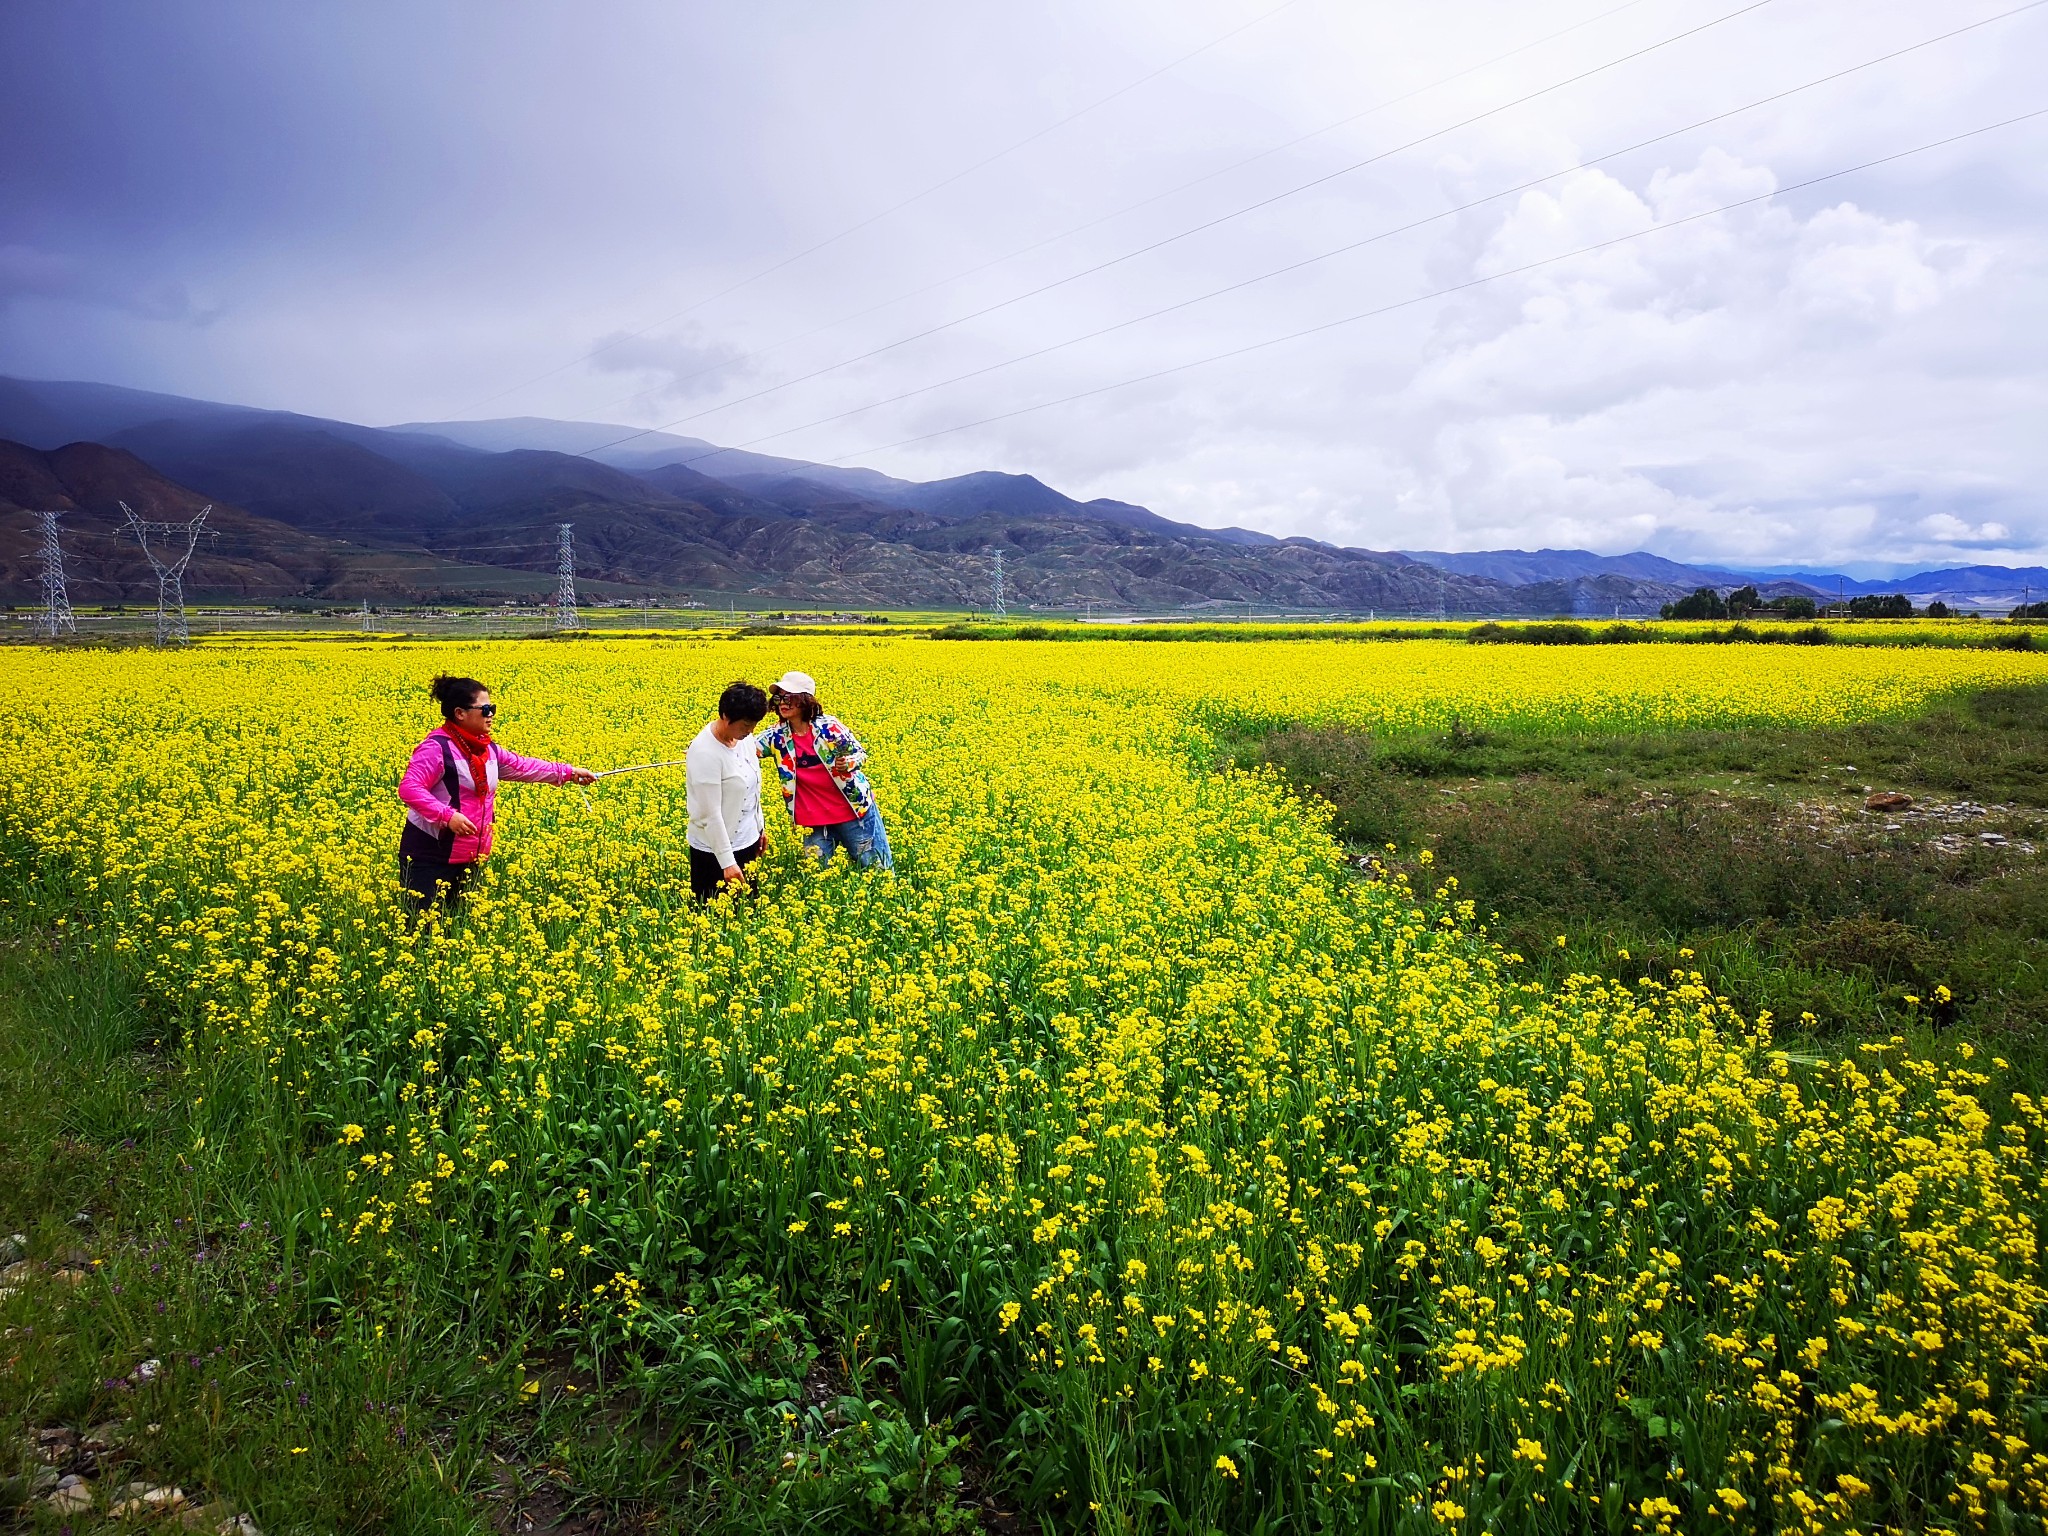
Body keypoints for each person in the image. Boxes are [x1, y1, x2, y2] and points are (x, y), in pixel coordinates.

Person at [397, 674, 595, 912]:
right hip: (430, 856)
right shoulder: (436, 748)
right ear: (460, 713)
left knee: (457, 928)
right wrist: (447, 816)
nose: (491, 715)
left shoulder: (486, 749)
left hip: (470, 855)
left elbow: (524, 766)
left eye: (493, 708)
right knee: (424, 932)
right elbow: (410, 788)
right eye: (486, 709)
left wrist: (569, 773)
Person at [758, 670, 893, 870]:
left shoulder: (829, 728)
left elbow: (859, 754)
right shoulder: (776, 735)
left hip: (852, 811)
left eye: (789, 697)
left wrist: (849, 763)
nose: (783, 703)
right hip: (811, 820)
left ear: (805, 700)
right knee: (818, 876)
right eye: (779, 698)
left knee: (876, 871)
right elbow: (746, 750)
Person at [687, 680, 769, 900]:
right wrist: (728, 863)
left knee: (746, 915)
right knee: (714, 918)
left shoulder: (744, 739)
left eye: (754, 725)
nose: (750, 731)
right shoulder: (705, 752)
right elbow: (709, 815)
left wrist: (759, 828)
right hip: (715, 852)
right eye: (745, 725)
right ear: (725, 716)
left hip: (747, 841)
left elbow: (752, 788)